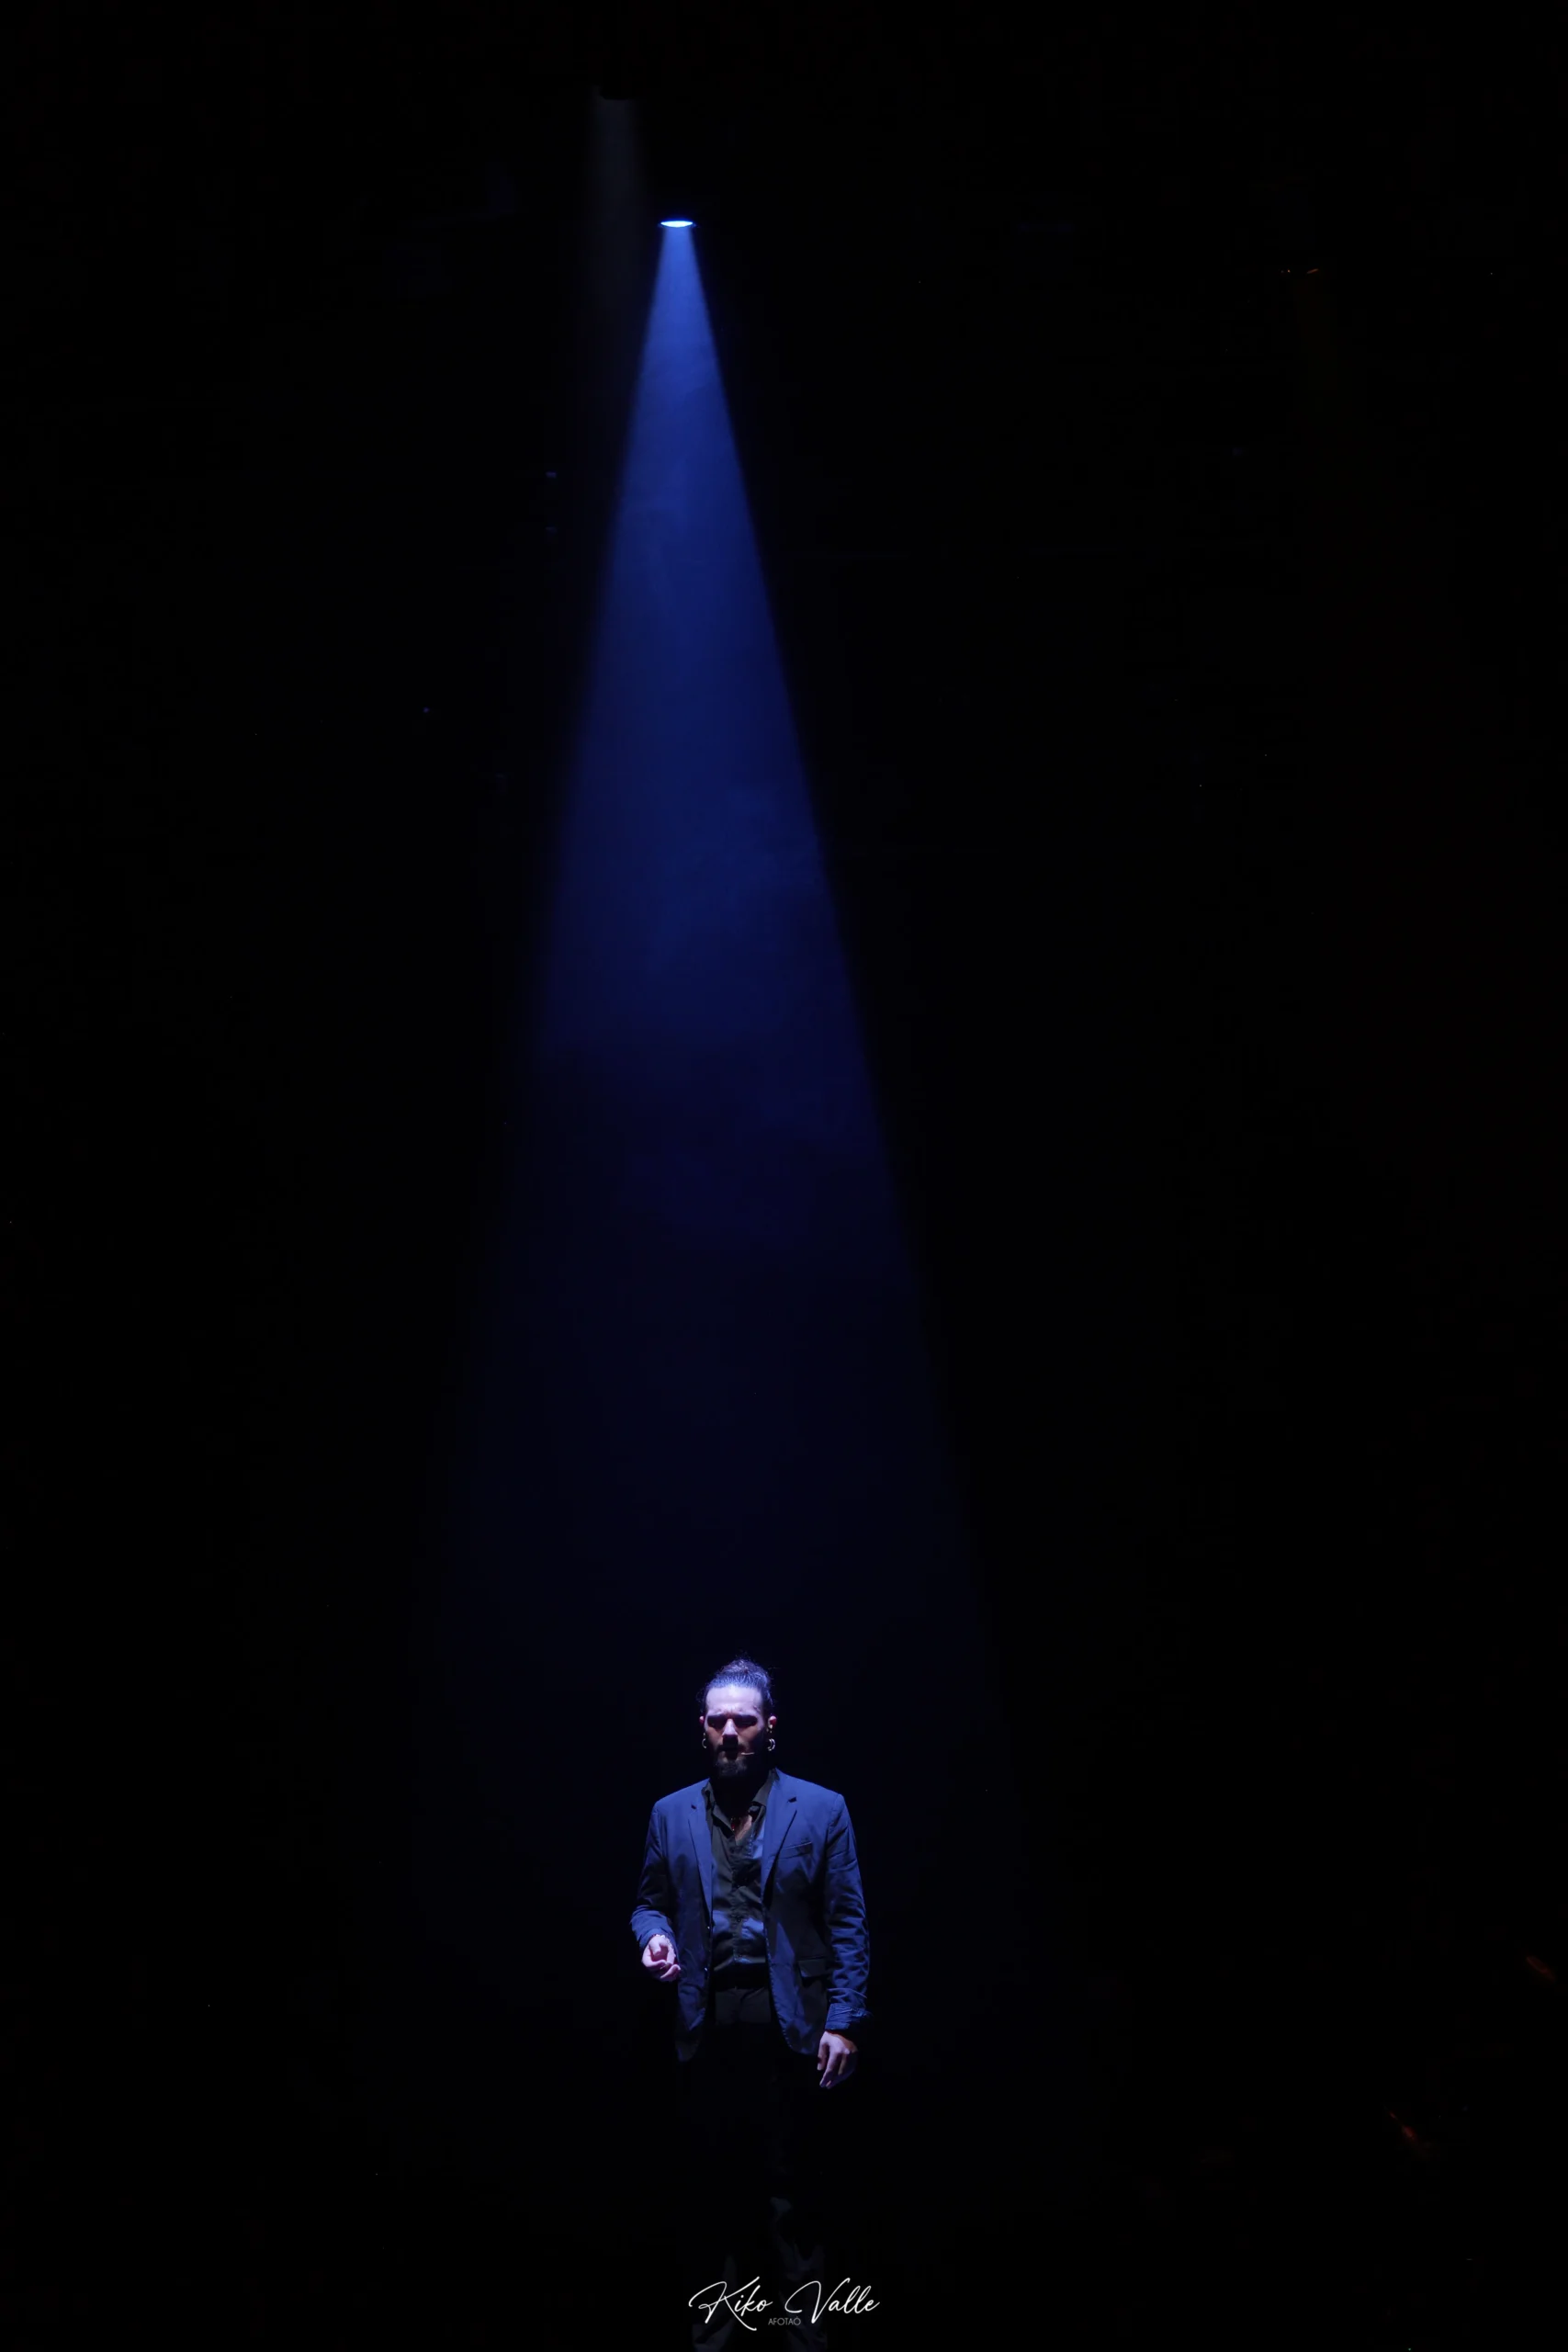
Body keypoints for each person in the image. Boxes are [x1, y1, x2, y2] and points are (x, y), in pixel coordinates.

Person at [630, 1657, 873, 2349]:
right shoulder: (670, 1812)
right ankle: (711, 2337)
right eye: (718, 1721)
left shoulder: (821, 1808)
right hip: (703, 2022)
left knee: (791, 2190)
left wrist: (844, 2022)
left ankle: (805, 2335)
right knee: (709, 2186)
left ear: (770, 1728)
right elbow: (648, 1904)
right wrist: (654, 1938)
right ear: (701, 1729)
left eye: (743, 1720)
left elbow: (848, 1923)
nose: (730, 1732)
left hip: (789, 2023)